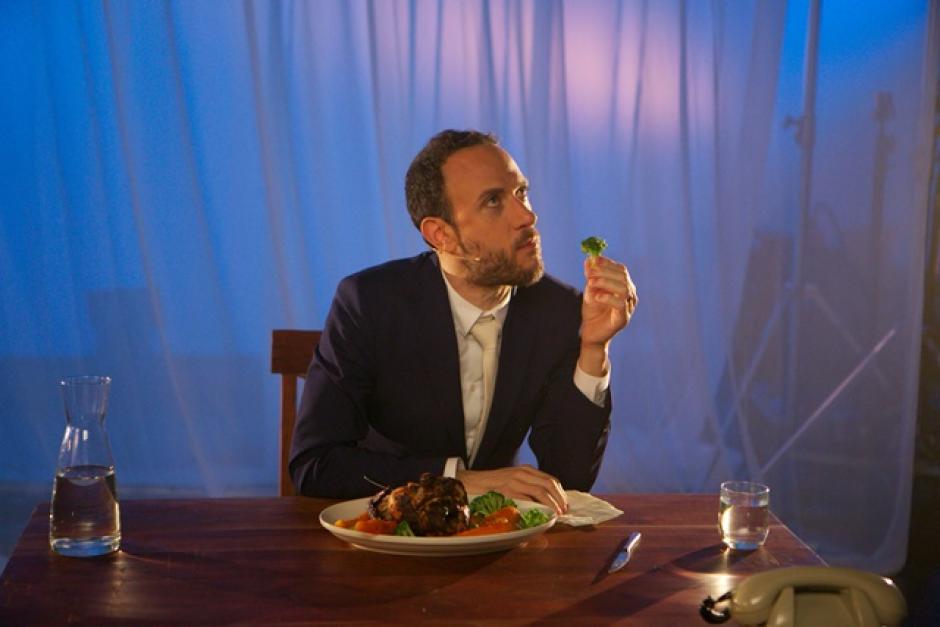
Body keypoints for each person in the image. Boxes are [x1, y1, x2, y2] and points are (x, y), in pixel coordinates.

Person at [290, 130, 637, 513]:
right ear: (441, 234)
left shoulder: (560, 309)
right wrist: (459, 479)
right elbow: (315, 464)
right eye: (493, 201)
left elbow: (568, 479)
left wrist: (594, 349)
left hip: (498, 541)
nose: (528, 216)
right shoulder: (369, 302)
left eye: (521, 192)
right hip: (389, 536)